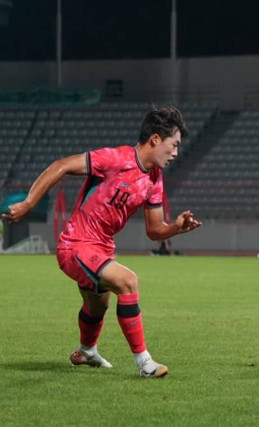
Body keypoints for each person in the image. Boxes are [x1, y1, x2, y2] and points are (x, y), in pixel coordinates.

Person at [1, 105, 202, 378]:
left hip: (101, 247)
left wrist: (176, 228)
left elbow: (154, 231)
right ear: (155, 139)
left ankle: (86, 351)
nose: (176, 153)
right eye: (174, 144)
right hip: (76, 244)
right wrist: (27, 203)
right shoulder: (115, 158)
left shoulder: (154, 179)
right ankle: (144, 362)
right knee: (128, 281)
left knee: (98, 305)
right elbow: (61, 166)